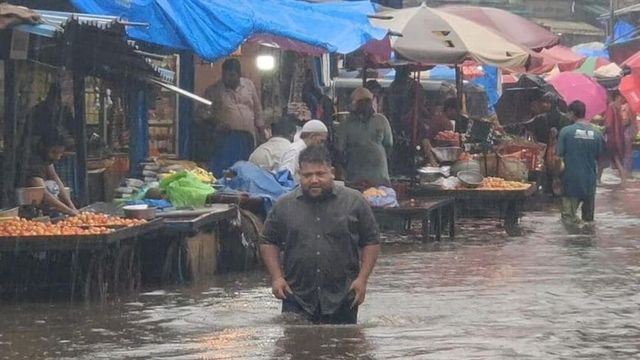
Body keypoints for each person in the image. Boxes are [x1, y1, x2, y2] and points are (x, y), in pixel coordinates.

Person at [260, 145, 381, 324]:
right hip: (296, 296)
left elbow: (371, 240)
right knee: (295, 345)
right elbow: (268, 240)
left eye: (320, 174)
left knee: (346, 346)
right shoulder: (284, 205)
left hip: (343, 296)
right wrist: (277, 277)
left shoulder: (354, 202)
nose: (314, 180)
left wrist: (362, 279)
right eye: (307, 175)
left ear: (332, 172)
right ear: (299, 174)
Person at [199, 58, 265, 177]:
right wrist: (215, 123)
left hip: (248, 136)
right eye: (224, 74)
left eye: (231, 75)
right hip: (227, 137)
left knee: (245, 168)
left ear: (239, 75)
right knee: (227, 170)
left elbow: (257, 109)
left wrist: (262, 132)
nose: (227, 78)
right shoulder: (214, 90)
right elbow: (201, 112)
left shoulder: (249, 85)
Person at [557, 101, 604, 227]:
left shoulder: (566, 132)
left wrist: (556, 178)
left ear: (572, 113)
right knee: (589, 222)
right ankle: (588, 244)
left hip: (571, 181)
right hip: (590, 182)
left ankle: (572, 244)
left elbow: (559, 158)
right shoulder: (597, 134)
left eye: (568, 113)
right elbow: (600, 158)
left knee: (568, 221)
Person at [335, 87, 393, 186]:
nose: (365, 105)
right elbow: (339, 151)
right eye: (361, 102)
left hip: (380, 176)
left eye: (367, 101)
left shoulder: (381, 120)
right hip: (355, 178)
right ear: (354, 104)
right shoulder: (346, 124)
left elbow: (389, 145)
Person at [22, 131, 78, 216]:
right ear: (43, 148)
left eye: (60, 153)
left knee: (54, 184)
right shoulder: (33, 161)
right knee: (51, 186)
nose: (58, 157)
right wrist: (69, 211)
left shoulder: (47, 159)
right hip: (28, 199)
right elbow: (43, 192)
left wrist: (71, 206)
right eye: (54, 152)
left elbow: (55, 177)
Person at [603, 91, 637, 184]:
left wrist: (604, 127)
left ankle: (624, 177)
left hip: (616, 136)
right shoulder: (617, 108)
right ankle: (624, 177)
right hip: (619, 136)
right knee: (619, 157)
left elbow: (610, 124)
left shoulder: (615, 107)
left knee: (614, 158)